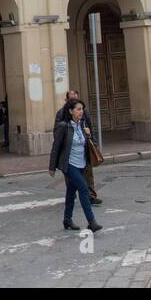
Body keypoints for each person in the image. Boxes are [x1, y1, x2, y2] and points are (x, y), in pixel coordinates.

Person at [49, 98, 101, 233]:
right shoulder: (64, 126)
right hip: (69, 164)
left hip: (82, 164)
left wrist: (88, 136)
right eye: (78, 109)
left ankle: (67, 219)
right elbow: (56, 147)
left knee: (71, 192)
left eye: (82, 109)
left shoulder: (82, 125)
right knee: (84, 188)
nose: (81, 112)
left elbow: (85, 145)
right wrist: (52, 166)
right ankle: (92, 222)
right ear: (71, 111)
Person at [54, 90, 101, 205]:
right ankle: (72, 195)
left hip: (84, 148)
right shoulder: (61, 114)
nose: (79, 110)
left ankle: (90, 196)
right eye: (71, 99)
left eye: (76, 98)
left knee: (88, 173)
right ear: (67, 101)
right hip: (69, 151)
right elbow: (57, 132)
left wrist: (93, 142)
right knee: (70, 175)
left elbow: (90, 126)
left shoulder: (84, 112)